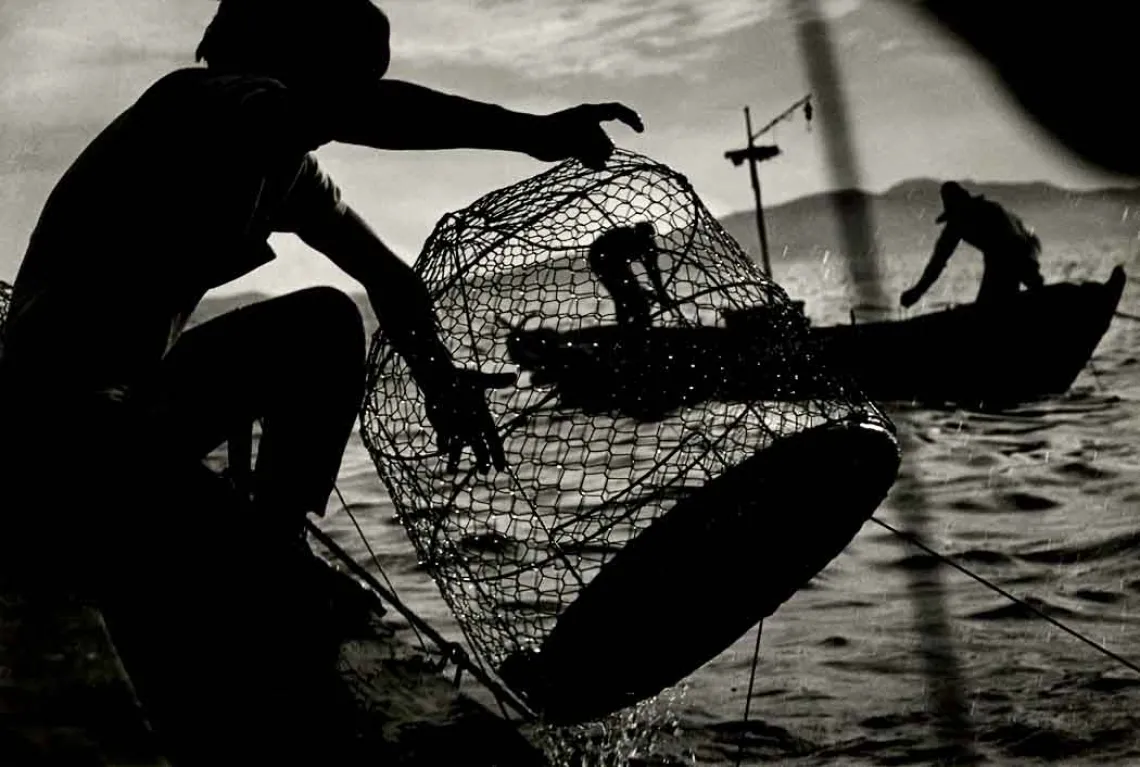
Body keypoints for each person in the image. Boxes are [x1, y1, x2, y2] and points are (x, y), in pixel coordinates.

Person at [0, 0, 643, 761]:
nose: (357, 99)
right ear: (293, 65)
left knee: (329, 319)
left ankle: (271, 553)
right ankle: (254, 575)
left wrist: (441, 381)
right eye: (351, 79)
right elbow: (348, 111)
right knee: (313, 335)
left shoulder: (285, 171)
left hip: (132, 416)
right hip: (47, 424)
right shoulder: (201, 103)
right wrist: (533, 132)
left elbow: (391, 280)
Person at [900, 181, 1044, 309]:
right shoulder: (959, 223)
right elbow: (938, 261)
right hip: (1007, 256)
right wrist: (918, 291)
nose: (958, 217)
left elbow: (1015, 246)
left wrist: (1030, 276)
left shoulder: (988, 212)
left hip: (1016, 253)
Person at [587, 222, 673, 328]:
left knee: (628, 294)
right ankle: (628, 324)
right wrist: (650, 294)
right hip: (599, 259)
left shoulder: (648, 246)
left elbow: (653, 271)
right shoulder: (622, 237)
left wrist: (661, 292)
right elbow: (620, 278)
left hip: (614, 263)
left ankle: (634, 323)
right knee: (623, 294)